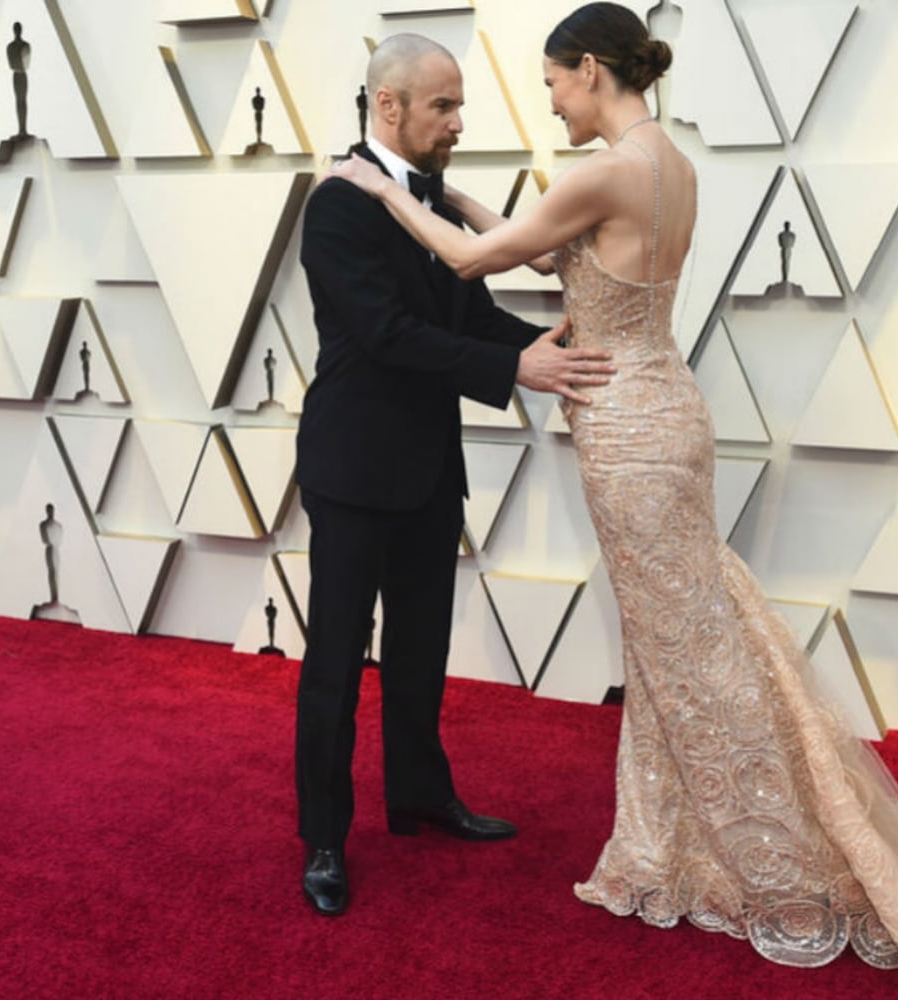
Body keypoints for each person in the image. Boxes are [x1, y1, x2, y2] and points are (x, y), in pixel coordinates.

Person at [330, 5, 898, 996]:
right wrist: (446, 191)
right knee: (686, 634)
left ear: (589, 70)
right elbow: (551, 253)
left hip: (627, 430)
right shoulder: (664, 165)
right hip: (668, 404)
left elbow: (473, 264)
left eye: (552, 82)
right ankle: (676, 837)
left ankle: (773, 844)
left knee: (688, 649)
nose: (546, 100)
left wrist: (367, 183)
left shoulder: (597, 171)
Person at [295, 32, 613, 919]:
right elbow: (387, 334)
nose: (460, 123)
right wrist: (518, 371)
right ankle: (323, 835)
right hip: (355, 468)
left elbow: (468, 308)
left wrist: (548, 349)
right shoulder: (338, 206)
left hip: (430, 467)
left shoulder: (423, 201)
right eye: (444, 106)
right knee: (333, 661)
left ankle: (420, 795)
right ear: (388, 105)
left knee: (421, 647)